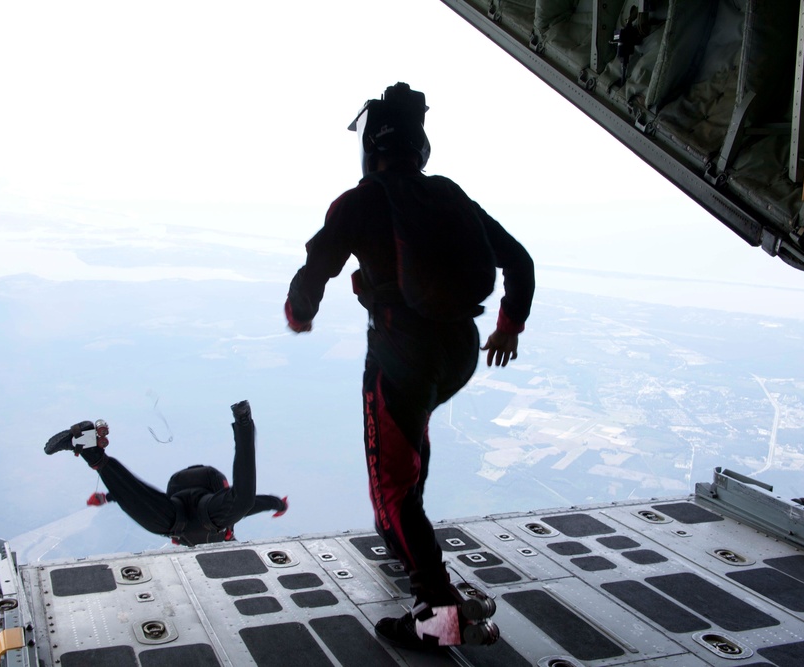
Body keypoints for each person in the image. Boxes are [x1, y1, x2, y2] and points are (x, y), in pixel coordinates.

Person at [284, 82, 534, 648]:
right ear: (420, 147)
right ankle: (410, 545)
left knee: (392, 487)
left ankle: (437, 614)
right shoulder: (448, 195)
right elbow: (519, 260)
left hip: (403, 352)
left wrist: (299, 315)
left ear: (371, 147)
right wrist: (508, 325)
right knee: (408, 451)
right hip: (460, 351)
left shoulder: (360, 200)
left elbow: (314, 270)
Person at [43, 400, 288, 546]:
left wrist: (277, 504)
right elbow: (253, 503)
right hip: (200, 511)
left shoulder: (204, 524)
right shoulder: (224, 522)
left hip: (177, 513)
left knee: (241, 503)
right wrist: (277, 504)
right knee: (242, 503)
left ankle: (88, 448)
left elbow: (139, 497)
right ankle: (244, 423)